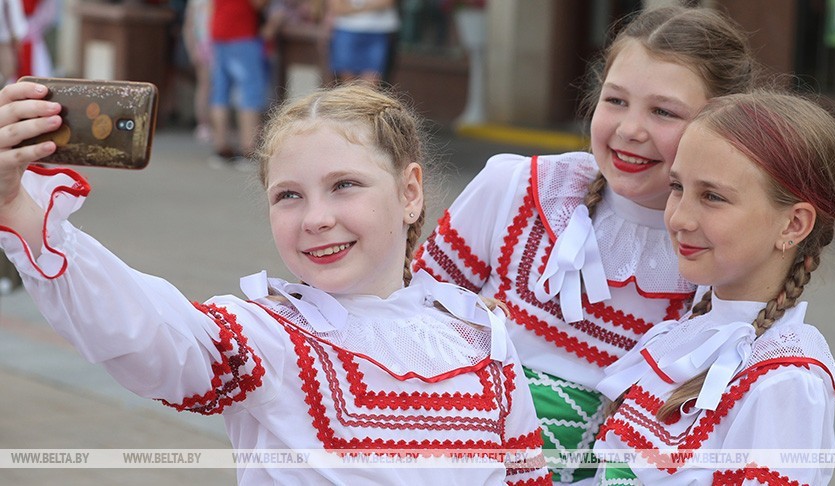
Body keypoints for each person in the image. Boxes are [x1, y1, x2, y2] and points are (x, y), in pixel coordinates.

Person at [0, 81, 550, 485]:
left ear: (410, 193)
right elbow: (144, 328)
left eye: (345, 185)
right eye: (289, 195)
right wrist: (17, 207)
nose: (315, 218)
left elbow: (527, 478)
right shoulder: (265, 339)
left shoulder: (481, 336)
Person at [412, 5, 757, 482]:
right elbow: (406, 312)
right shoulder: (517, 188)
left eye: (663, 111)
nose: (631, 129)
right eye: (616, 100)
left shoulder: (723, 253)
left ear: (724, 125)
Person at [592, 89, 835, 485]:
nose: (679, 218)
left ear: (793, 224)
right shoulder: (680, 338)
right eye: (678, 188)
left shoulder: (784, 379)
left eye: (713, 197)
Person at [208, 0, 269, 170]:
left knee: (220, 93)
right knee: (250, 92)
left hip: (219, 31)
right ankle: (248, 149)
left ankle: (221, 147)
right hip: (242, 32)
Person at [326, 0, 399, 85]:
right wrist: (371, 6)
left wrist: (353, 7)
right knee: (347, 84)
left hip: (378, 31)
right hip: (346, 30)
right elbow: (337, 7)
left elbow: (387, 3)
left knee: (371, 84)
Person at [182, 0, 213, 143]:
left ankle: (208, 125)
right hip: (207, 45)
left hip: (210, 44)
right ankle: (204, 124)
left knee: (207, 87)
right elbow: (189, 26)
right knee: (206, 86)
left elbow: (188, 27)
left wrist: (192, 49)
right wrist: (192, 50)